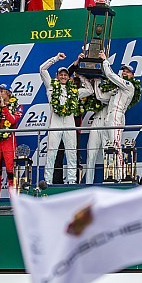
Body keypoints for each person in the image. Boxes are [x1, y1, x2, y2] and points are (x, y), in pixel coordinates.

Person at [39, 52, 90, 185]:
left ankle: (72, 181)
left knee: (71, 153)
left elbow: (90, 90)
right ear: (57, 76)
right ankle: (48, 182)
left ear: (68, 77)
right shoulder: (51, 86)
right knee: (51, 153)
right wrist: (55, 58)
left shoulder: (74, 91)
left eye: (65, 75)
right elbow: (42, 69)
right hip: (55, 124)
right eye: (61, 74)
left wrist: (81, 76)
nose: (63, 76)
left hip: (69, 123)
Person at [97, 53, 139, 181]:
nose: (125, 73)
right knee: (107, 146)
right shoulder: (117, 88)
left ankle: (120, 176)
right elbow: (101, 97)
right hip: (109, 116)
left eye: (128, 72)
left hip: (117, 114)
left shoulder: (128, 85)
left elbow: (110, 75)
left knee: (116, 144)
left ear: (132, 75)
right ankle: (110, 175)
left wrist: (105, 61)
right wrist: (95, 82)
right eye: (124, 71)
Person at [0, 83, 23, 199]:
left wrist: (4, 108)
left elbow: (13, 121)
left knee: (10, 171)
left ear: (8, 93)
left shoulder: (17, 105)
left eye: (1, 91)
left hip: (9, 140)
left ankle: (14, 200)